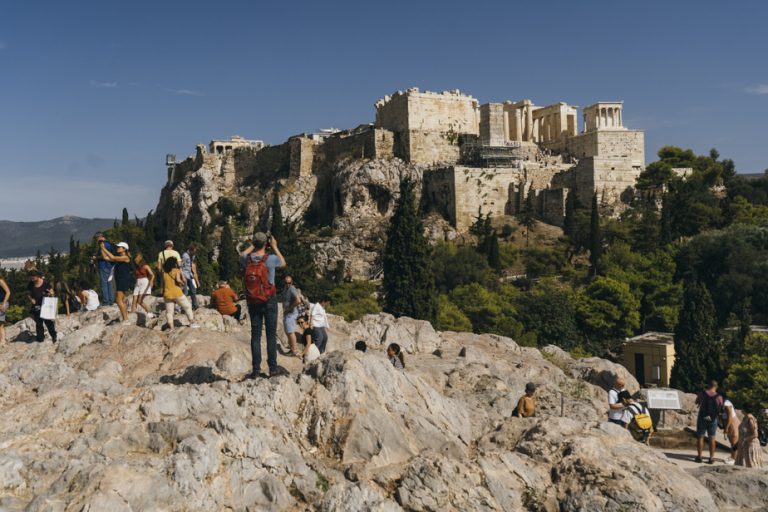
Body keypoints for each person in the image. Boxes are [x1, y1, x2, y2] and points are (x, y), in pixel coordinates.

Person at [240, 232, 286, 378]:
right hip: (269, 299)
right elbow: (283, 263)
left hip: (253, 300)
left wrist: (253, 245)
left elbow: (241, 254)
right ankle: (273, 368)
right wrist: (274, 246)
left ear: (254, 243)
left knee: (255, 335)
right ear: (266, 244)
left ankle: (256, 370)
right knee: (271, 335)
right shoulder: (271, 259)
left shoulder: (247, 260)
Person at [162, 256, 199, 330]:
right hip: (177, 293)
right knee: (187, 306)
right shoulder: (176, 270)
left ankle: (171, 328)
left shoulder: (164, 273)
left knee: (169, 312)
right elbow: (178, 280)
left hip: (167, 294)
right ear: (174, 263)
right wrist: (183, 282)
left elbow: (163, 284)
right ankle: (192, 322)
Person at [101, 241, 133, 323]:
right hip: (119, 280)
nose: (117, 248)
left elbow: (113, 258)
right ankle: (125, 318)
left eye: (119, 247)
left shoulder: (125, 257)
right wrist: (101, 247)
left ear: (124, 249)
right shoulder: (120, 259)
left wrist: (104, 248)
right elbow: (105, 258)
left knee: (118, 300)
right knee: (122, 300)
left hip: (123, 280)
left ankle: (126, 320)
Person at [695, 380, 724, 464]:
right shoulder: (719, 397)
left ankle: (699, 457)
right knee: (712, 438)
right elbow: (720, 408)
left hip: (702, 418)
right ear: (716, 386)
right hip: (713, 419)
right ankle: (711, 458)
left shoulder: (702, 394)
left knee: (700, 437)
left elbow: (697, 402)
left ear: (708, 385)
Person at [27, 270, 56, 343]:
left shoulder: (45, 283)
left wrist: (50, 294)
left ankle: (53, 335)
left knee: (48, 322)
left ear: (37, 276)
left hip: (45, 304)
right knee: (39, 322)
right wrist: (31, 299)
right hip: (36, 305)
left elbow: (52, 292)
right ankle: (40, 338)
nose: (31, 278)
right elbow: (28, 294)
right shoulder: (31, 284)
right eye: (30, 277)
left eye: (33, 277)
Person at [93, 232, 116, 306]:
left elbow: (104, 256)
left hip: (104, 266)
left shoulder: (102, 244)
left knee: (104, 284)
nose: (96, 241)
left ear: (99, 237)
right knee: (109, 283)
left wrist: (96, 257)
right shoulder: (109, 243)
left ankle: (106, 301)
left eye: (96, 239)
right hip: (110, 266)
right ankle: (111, 300)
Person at [282, 275, 301, 356]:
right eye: (286, 283)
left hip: (291, 313)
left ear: (292, 282)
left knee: (290, 332)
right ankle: (292, 348)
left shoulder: (292, 289)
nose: (288, 284)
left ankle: (294, 350)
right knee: (287, 331)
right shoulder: (286, 289)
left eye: (289, 283)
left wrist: (290, 307)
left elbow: (298, 300)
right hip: (287, 313)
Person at [721, 395, 740, 463]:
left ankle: (734, 459)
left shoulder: (727, 404)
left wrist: (726, 429)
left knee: (734, 441)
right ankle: (732, 457)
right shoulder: (723, 403)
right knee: (732, 442)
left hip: (732, 423)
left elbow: (730, 418)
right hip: (729, 423)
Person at [181, 244, 199, 310]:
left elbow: (191, 265)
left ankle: (194, 305)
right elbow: (181, 265)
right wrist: (182, 276)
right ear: (191, 250)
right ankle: (183, 307)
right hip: (184, 275)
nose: (195, 252)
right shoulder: (185, 255)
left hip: (189, 275)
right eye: (194, 250)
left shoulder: (193, 256)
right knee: (185, 292)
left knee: (193, 290)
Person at [0, 274, 10, 344]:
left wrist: (3, 303)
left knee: (0, 323)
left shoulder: (0, 281)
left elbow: (8, 292)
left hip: (2, 303)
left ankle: (2, 340)